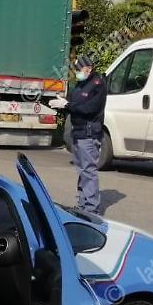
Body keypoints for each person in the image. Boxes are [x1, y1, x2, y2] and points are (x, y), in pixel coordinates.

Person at [50, 54, 107, 214]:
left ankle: (91, 210)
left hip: (89, 133)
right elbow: (74, 103)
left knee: (88, 170)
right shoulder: (81, 84)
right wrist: (63, 102)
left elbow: (90, 108)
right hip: (79, 131)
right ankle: (83, 205)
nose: (76, 72)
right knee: (82, 170)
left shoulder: (97, 84)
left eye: (79, 69)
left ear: (88, 68)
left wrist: (68, 105)